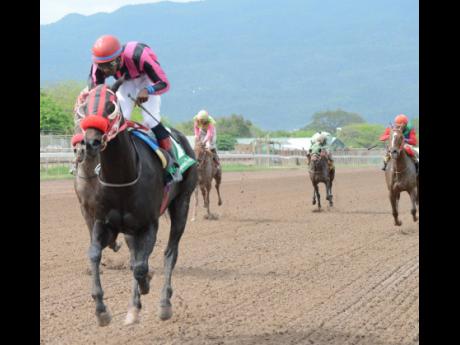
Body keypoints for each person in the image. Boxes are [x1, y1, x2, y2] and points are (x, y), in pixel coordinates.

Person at [88, 34, 181, 182]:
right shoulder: (99, 64)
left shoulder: (139, 55)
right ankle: (103, 162)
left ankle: (173, 164)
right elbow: (95, 93)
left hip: (146, 78)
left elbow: (164, 83)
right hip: (124, 81)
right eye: (102, 66)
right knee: (117, 119)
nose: (105, 71)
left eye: (109, 66)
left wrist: (148, 90)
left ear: (120, 58)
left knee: (150, 120)